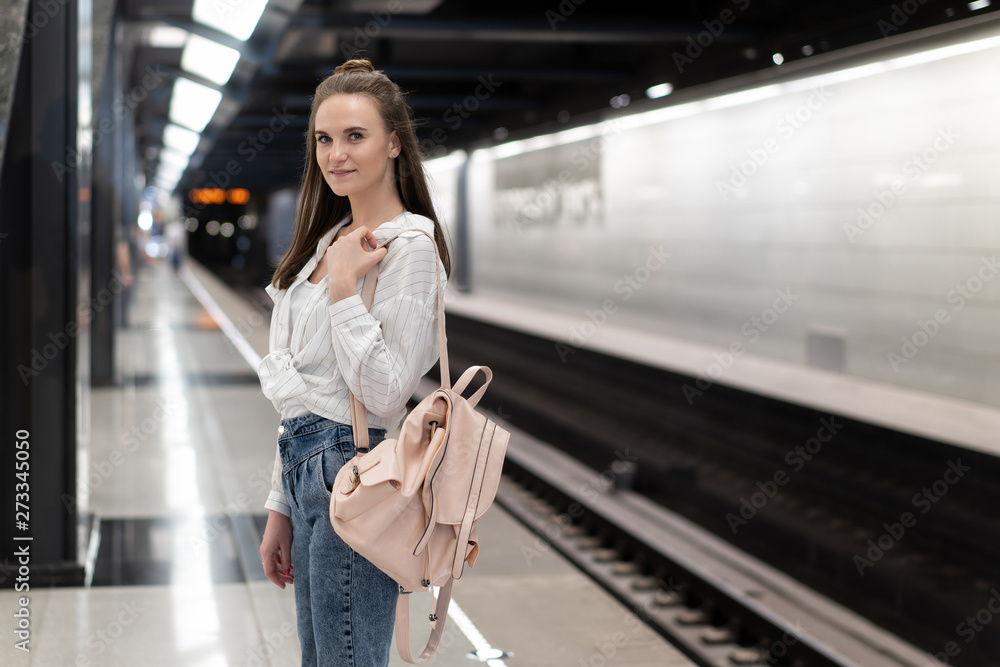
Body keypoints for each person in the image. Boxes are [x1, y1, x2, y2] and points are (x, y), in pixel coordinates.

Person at [256, 58, 451, 667]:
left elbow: (389, 393)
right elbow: (302, 391)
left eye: (355, 136)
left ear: (394, 143)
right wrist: (279, 505)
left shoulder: (411, 249)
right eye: (324, 138)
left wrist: (344, 292)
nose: (336, 154)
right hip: (304, 465)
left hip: (354, 469)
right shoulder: (326, 239)